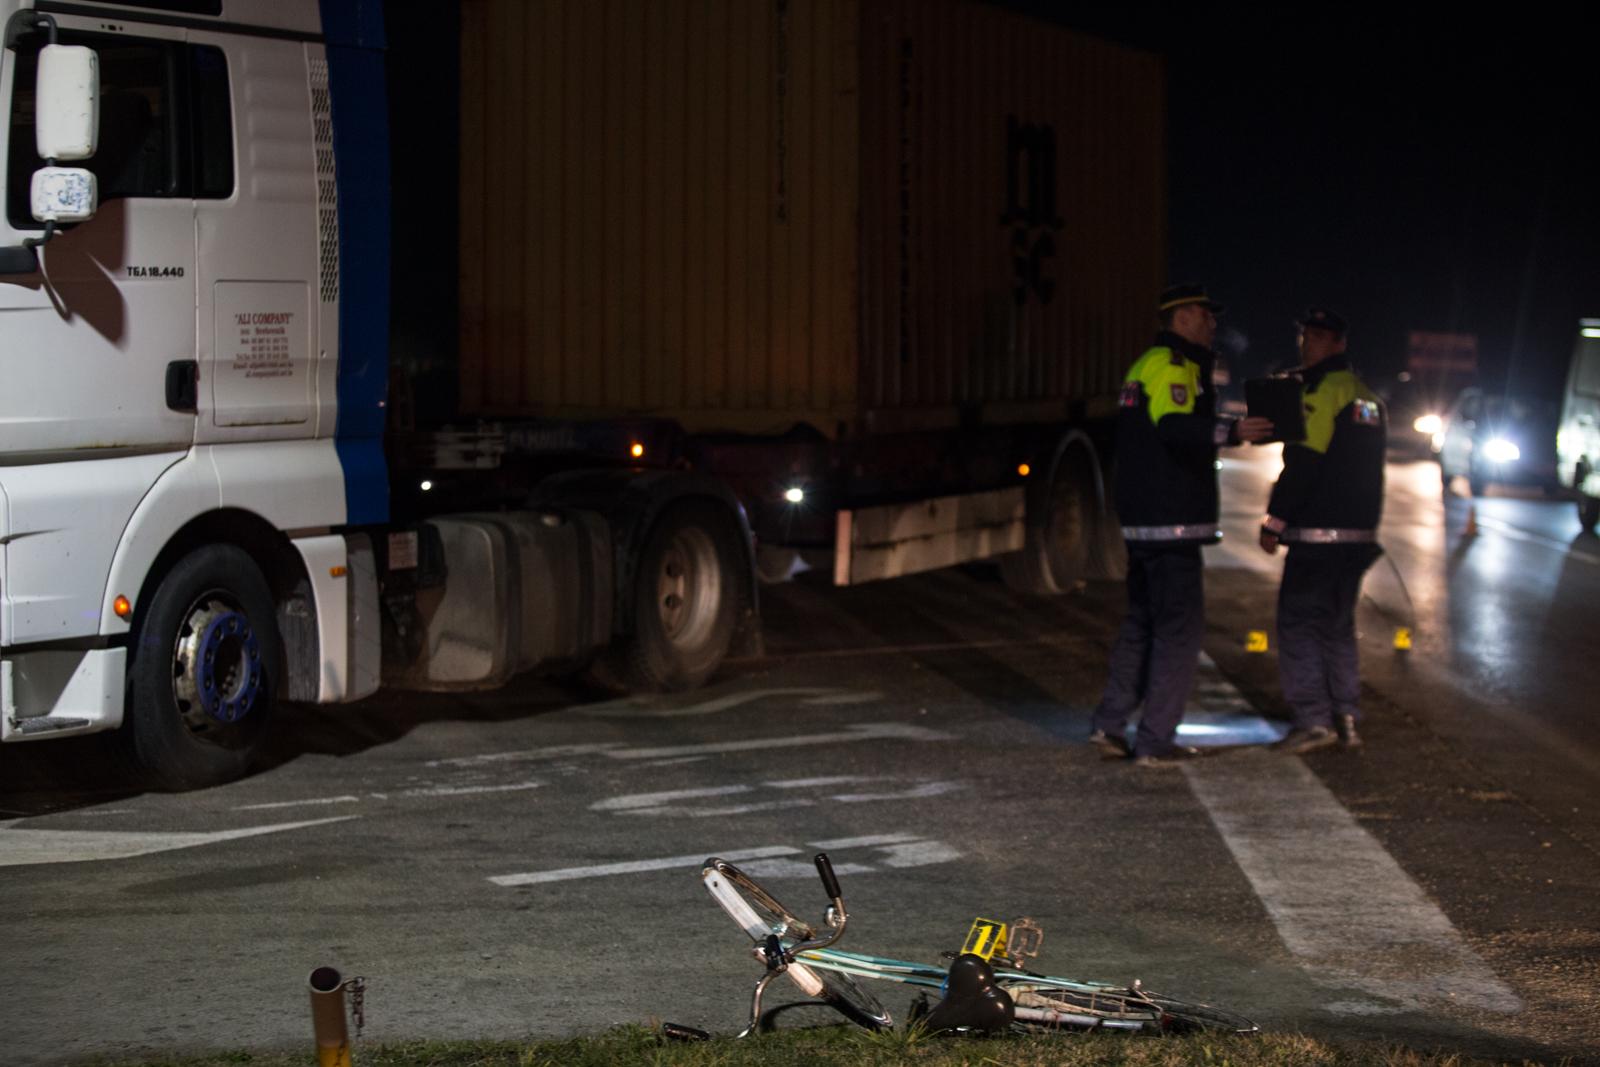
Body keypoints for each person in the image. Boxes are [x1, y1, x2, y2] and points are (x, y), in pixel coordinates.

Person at [1089, 284, 1273, 766]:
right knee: (1180, 631)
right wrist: (1232, 430)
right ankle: (1155, 740)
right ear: (1186, 317)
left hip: (1142, 520)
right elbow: (1173, 428)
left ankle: (1109, 725)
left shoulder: (1145, 364)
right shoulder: (1176, 367)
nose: (1214, 326)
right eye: (1208, 317)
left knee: (1140, 623)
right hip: (1172, 521)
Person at [1258, 308, 1386, 754]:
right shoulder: (1366, 396)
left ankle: (1313, 719)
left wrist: (1275, 519)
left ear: (1338, 343)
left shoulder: (1321, 392)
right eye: (1307, 335)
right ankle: (1346, 715)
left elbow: (1305, 462)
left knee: (1298, 623)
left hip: (1317, 534)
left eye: (1318, 337)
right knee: (1337, 625)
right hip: (1357, 536)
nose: (1309, 343)